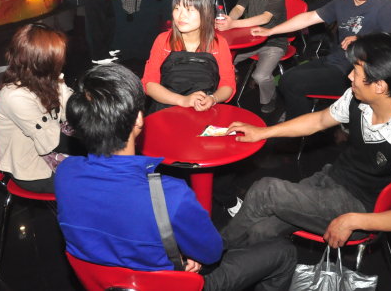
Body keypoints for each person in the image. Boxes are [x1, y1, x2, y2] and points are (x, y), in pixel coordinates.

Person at [56, 64, 297, 291]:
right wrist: (181, 257)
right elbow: (211, 254)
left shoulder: (65, 173)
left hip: (103, 282)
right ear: (138, 119)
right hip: (169, 284)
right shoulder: (169, 194)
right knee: (283, 252)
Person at [221, 33, 391, 250]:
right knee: (262, 230)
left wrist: (353, 220)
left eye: (356, 71)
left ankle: (212, 253)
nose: (350, 76)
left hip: (359, 208)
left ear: (379, 86)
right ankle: (258, 266)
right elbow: (320, 120)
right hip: (333, 178)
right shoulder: (358, 99)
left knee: (265, 191)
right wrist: (263, 132)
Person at [254, 0, 391, 120]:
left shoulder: (384, 7)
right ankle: (303, 116)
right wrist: (271, 31)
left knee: (292, 83)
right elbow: (308, 18)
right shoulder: (342, 2)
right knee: (286, 79)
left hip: (358, 72)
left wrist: (363, 41)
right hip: (336, 60)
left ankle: (301, 125)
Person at [0, 24, 73, 194]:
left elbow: (71, 107)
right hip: (32, 168)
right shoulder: (15, 96)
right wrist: (101, 139)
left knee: (111, 165)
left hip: (52, 147)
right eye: (57, 57)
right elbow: (56, 141)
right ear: (42, 62)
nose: (62, 60)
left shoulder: (47, 79)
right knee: (102, 179)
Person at [142, 0, 235, 113]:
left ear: (205, 13)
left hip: (205, 109)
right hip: (167, 108)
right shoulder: (163, 40)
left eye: (189, 10)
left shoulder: (218, 43)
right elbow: (149, 84)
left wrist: (213, 99)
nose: (181, 16)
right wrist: (183, 100)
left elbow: (228, 85)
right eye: (177, 8)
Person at [215, 0, 287, 113]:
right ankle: (228, 86)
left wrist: (233, 24)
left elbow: (265, 18)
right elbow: (239, 8)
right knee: (221, 59)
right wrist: (229, 20)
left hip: (273, 41)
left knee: (260, 76)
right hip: (251, 38)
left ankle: (270, 97)